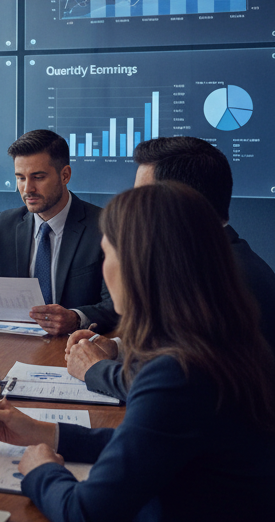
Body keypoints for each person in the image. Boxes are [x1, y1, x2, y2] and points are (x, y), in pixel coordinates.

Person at [0, 183, 275, 522]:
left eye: (108, 254)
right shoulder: (227, 347)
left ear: (138, 266)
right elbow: (159, 449)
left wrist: (40, 468)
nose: (106, 271)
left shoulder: (175, 371)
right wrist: (47, 432)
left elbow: (87, 517)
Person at [66, 136, 275, 400]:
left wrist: (94, 369)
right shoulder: (218, 258)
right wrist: (118, 349)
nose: (136, 211)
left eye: (144, 199)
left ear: (178, 202)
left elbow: (176, 386)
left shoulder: (220, 280)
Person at [0, 130, 116, 335]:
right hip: (15, 346)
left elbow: (117, 306)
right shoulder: (5, 224)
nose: (27, 189)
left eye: (38, 177)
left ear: (65, 175)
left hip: (76, 346)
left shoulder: (104, 226)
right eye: (20, 178)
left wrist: (76, 318)